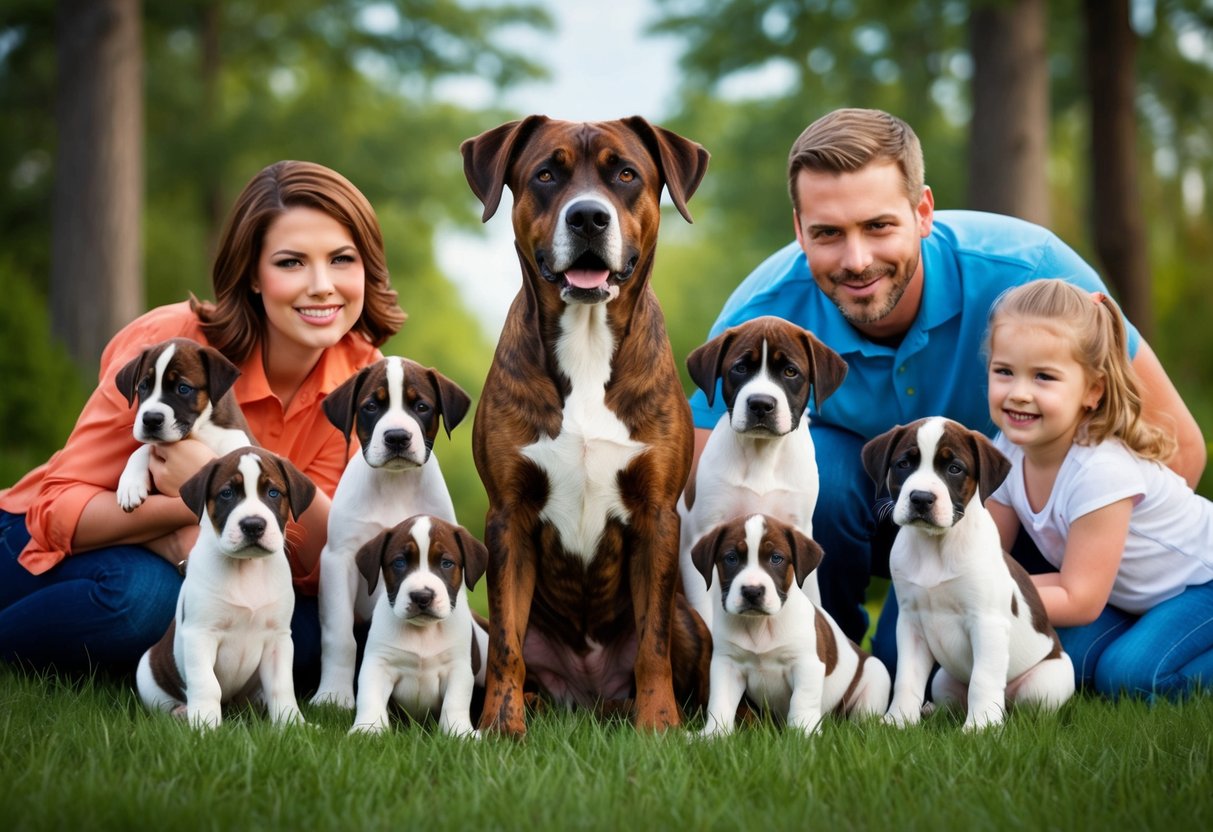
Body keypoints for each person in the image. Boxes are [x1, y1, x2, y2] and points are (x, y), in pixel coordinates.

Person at [688, 108, 1206, 669]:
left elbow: (1179, 447)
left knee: (1084, 666)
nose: (857, 260)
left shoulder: (1032, 275)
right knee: (830, 474)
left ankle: (1136, 632)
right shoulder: (761, 320)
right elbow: (703, 499)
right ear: (799, 230)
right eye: (828, 234)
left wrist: (1094, 571)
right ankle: (817, 662)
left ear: (923, 212)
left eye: (879, 226)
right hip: (889, 519)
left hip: (1029, 536)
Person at [0, 160, 405, 678]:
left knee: (303, 639)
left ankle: (148, 663)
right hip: (40, 547)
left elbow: (320, 559)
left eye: (342, 259)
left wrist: (209, 490)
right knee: (144, 599)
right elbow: (57, 511)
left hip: (226, 558)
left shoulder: (365, 381)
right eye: (290, 263)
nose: (322, 285)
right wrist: (187, 507)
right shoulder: (173, 343)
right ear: (252, 276)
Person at [984, 279, 1213, 698]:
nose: (1018, 393)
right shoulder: (1009, 448)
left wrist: (978, 593)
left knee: (1128, 677)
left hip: (1202, 583)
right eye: (1004, 372)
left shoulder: (1099, 470)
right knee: (1067, 662)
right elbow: (986, 552)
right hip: (1131, 598)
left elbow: (1079, 598)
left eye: (1044, 377)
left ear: (1093, 390)